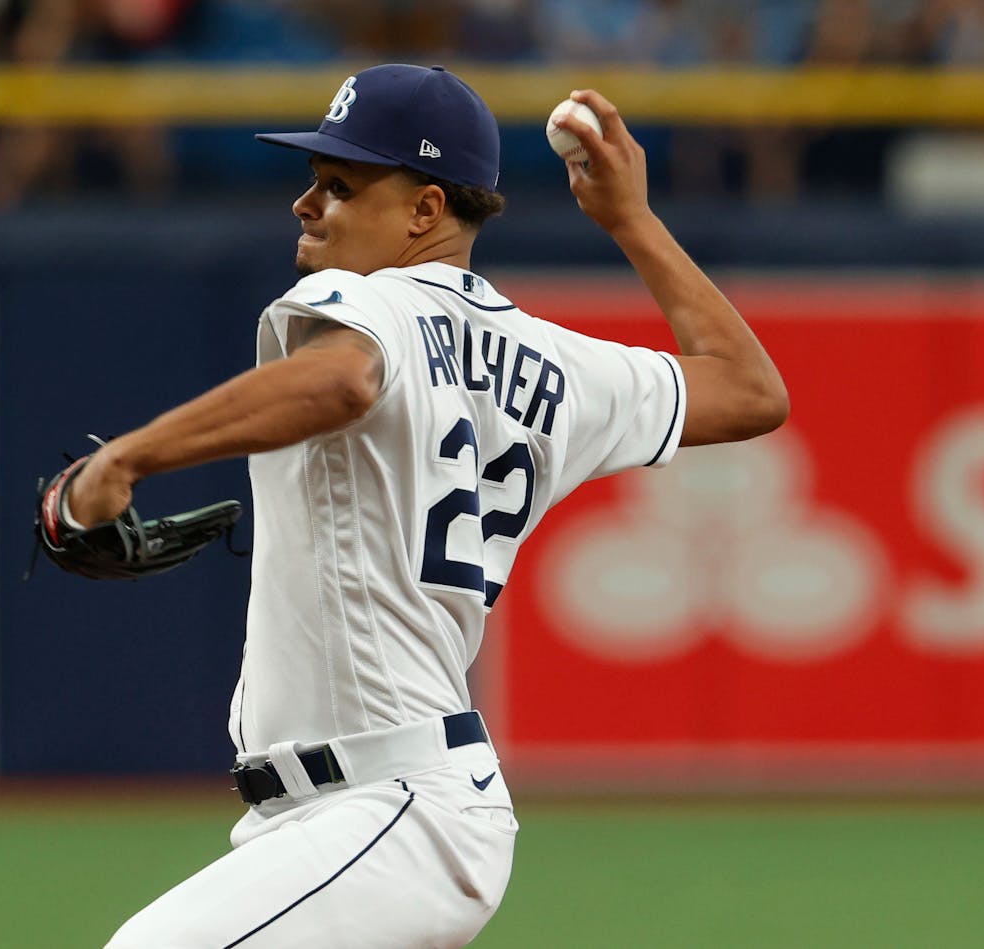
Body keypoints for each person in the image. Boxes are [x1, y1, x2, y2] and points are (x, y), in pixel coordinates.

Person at [68, 63, 789, 948]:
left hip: (389, 802)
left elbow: (346, 379)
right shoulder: (553, 361)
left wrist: (128, 458)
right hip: (369, 813)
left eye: (340, 184)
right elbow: (750, 390)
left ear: (426, 211)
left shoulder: (371, 304)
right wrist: (631, 222)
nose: (306, 204)